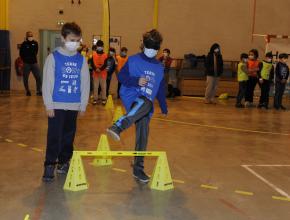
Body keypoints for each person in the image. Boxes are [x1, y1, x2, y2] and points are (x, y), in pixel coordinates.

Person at [106, 29, 168, 183]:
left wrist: (164, 107)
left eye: (155, 47)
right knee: (146, 102)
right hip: (131, 95)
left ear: (158, 48)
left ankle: (138, 169)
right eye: (149, 46)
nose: (151, 50)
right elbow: (121, 76)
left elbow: (160, 88)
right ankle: (118, 126)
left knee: (143, 134)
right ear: (143, 44)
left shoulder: (160, 67)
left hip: (145, 105)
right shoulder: (133, 60)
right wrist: (136, 81)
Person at [42, 22, 90, 182]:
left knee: (69, 136)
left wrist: (83, 104)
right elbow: (47, 83)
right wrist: (48, 104)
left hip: (73, 106)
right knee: (54, 136)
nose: (75, 43)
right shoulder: (53, 58)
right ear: (63, 38)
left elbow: (85, 83)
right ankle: (49, 164)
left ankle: (63, 162)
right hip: (56, 105)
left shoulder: (81, 60)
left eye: (78, 40)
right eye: (72, 39)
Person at [20, 31, 42, 96]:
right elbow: (21, 54)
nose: (30, 37)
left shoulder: (35, 43)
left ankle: (38, 91)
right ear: (27, 36)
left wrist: (31, 54)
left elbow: (36, 52)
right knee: (25, 78)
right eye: (29, 36)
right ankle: (27, 91)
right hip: (26, 63)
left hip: (34, 63)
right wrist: (25, 60)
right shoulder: (24, 44)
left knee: (38, 77)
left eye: (31, 35)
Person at [92, 40, 108, 105]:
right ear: (97, 47)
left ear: (103, 47)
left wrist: (100, 69)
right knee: (95, 87)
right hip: (95, 74)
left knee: (103, 87)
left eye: (101, 46)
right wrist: (96, 69)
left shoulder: (105, 55)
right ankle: (95, 99)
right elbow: (92, 63)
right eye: (98, 46)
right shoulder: (93, 54)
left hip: (103, 74)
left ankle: (104, 99)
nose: (100, 47)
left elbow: (106, 64)